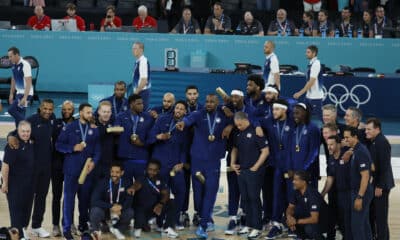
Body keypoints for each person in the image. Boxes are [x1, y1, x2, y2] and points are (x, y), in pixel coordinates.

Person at [176, 94, 232, 238]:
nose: (208, 104)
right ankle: (204, 216)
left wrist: (230, 126)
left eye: (212, 102)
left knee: (211, 192)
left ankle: (203, 224)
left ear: (217, 103)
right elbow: (188, 119)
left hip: (213, 161)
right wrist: (183, 122)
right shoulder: (198, 114)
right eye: (207, 101)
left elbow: (236, 117)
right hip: (198, 161)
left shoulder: (223, 114)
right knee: (199, 192)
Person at [7, 99, 55, 238]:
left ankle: (36, 226)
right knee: (27, 199)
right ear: (40, 107)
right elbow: (17, 131)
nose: (47, 111)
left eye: (50, 109)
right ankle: (22, 227)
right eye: (45, 108)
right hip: (32, 168)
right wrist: (10, 136)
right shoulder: (32, 120)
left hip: (46, 168)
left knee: (42, 197)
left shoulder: (52, 119)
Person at [55, 103, 101, 240]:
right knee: (69, 200)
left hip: (87, 171)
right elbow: (58, 145)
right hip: (71, 170)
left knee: (84, 201)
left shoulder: (94, 129)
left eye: (91, 112)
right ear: (80, 113)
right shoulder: (69, 127)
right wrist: (72, 148)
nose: (90, 115)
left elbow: (98, 149)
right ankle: (67, 228)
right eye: (87, 112)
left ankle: (82, 226)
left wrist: (94, 161)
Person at [148, 100, 190, 229]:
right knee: (160, 192)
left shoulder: (186, 126)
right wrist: (158, 137)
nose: (178, 110)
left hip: (175, 165)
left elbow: (184, 148)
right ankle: (159, 220)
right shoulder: (162, 119)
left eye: (182, 109)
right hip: (160, 164)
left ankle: (175, 220)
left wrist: (182, 163)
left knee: (181, 191)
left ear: (185, 112)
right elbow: (149, 138)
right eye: (177, 108)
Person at [230, 111, 269, 239]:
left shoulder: (257, 131)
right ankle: (248, 224)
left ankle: (257, 227)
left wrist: (256, 167)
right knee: (245, 199)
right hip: (242, 170)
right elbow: (235, 149)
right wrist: (232, 163)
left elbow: (265, 151)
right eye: (237, 125)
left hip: (254, 171)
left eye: (240, 125)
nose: (238, 127)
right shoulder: (238, 132)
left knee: (254, 198)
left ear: (245, 120)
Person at [261, 99, 295, 239]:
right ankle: (276, 224)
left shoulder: (293, 122)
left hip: (291, 167)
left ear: (285, 110)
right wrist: (257, 125)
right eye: (273, 109)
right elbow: (255, 119)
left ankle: (292, 224)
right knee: (276, 196)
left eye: (277, 109)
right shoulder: (270, 122)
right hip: (277, 167)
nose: (273, 112)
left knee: (291, 197)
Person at [1, 121, 35, 240]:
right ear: (18, 131)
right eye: (23, 131)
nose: (26, 134)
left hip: (29, 184)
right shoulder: (13, 145)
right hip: (14, 184)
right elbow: (5, 166)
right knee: (16, 211)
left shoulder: (31, 142)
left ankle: (22, 230)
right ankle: (18, 234)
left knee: (27, 210)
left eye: (28, 131)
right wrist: (4, 184)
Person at [128, 159, 179, 238]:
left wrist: (161, 204)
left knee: (171, 202)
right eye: (150, 169)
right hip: (141, 209)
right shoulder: (141, 178)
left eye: (154, 170)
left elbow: (166, 194)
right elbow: (137, 185)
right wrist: (133, 188)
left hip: (154, 208)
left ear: (158, 170)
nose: (151, 172)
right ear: (146, 169)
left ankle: (167, 228)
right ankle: (140, 225)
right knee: (141, 230)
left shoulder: (161, 179)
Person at [365, 118, 394, 240]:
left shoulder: (382, 142)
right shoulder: (374, 141)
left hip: (381, 187)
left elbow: (384, 166)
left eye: (369, 129)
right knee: (374, 216)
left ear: (377, 129)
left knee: (380, 218)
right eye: (366, 129)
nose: (366, 131)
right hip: (376, 185)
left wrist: (380, 186)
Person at [343, 126, 373, 240]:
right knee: (364, 224)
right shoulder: (356, 149)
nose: (345, 140)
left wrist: (359, 197)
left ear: (355, 137)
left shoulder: (360, 152)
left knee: (356, 226)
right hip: (359, 191)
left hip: (361, 192)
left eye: (347, 138)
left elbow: (365, 176)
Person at [115, 94, 154, 182]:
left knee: (141, 186)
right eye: (139, 104)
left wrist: (142, 144)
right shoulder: (120, 116)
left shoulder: (148, 118)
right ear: (131, 104)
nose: (142, 106)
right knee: (125, 186)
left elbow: (152, 136)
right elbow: (115, 130)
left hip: (141, 157)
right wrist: (116, 131)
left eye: (142, 103)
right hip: (125, 157)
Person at [89, 162, 134, 240]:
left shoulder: (127, 183)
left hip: (118, 211)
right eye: (112, 171)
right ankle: (96, 230)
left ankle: (117, 229)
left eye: (117, 172)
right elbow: (94, 200)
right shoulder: (102, 182)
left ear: (122, 173)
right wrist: (111, 206)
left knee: (130, 212)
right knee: (95, 211)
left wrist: (121, 207)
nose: (114, 174)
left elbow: (129, 199)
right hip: (105, 210)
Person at [51, 100, 75, 237]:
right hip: (57, 165)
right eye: (64, 109)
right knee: (57, 196)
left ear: (73, 110)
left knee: (70, 196)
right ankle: (55, 225)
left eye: (69, 109)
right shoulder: (56, 123)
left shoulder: (77, 124)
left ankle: (69, 222)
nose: (66, 111)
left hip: (72, 165)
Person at [321, 135, 350, 239]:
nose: (329, 147)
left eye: (331, 144)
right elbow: (330, 178)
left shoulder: (347, 154)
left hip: (347, 194)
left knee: (345, 221)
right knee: (331, 218)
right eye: (328, 145)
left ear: (339, 144)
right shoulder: (331, 158)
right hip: (334, 194)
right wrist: (323, 193)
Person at [181, 85, 203, 226]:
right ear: (186, 95)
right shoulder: (180, 108)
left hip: (199, 153)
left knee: (199, 185)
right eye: (190, 94)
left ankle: (198, 213)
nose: (192, 96)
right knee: (183, 185)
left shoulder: (204, 109)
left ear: (198, 94)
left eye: (194, 93)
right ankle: (183, 212)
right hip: (183, 152)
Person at [286, 171, 327, 240]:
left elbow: (314, 219)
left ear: (304, 182)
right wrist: (289, 217)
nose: (293, 182)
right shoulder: (296, 191)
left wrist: (295, 221)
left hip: (323, 221)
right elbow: (290, 207)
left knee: (309, 228)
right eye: (293, 179)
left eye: (296, 180)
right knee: (286, 219)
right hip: (309, 216)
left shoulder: (312, 194)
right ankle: (303, 237)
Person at [290, 103, 320, 188]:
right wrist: (290, 167)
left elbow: (314, 152)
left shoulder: (313, 128)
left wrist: (304, 168)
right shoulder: (295, 128)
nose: (294, 116)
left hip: (307, 171)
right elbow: (290, 151)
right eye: (294, 113)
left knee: (309, 197)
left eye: (297, 113)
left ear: (305, 113)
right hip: (295, 170)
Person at [293, 45, 324, 119]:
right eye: (306, 52)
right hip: (308, 96)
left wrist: (300, 93)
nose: (306, 54)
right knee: (305, 117)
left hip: (316, 97)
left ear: (314, 53)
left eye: (308, 52)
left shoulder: (316, 64)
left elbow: (311, 81)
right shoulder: (311, 64)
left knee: (322, 118)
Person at [7, 46, 33, 127]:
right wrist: (11, 93)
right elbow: (13, 79)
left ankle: (28, 125)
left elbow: (29, 82)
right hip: (19, 93)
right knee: (20, 114)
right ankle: (19, 133)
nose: (9, 58)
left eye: (10, 56)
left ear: (16, 55)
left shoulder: (25, 65)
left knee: (11, 110)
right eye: (9, 56)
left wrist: (25, 97)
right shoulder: (14, 65)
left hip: (26, 93)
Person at [93, 101, 116, 182]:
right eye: (104, 112)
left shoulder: (114, 123)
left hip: (109, 163)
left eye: (108, 112)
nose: (106, 114)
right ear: (99, 111)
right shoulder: (91, 124)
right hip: (94, 163)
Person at [132, 42, 151, 111]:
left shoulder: (143, 61)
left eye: (135, 48)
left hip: (142, 92)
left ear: (141, 50)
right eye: (133, 48)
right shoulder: (138, 61)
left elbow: (144, 80)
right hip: (140, 91)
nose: (133, 50)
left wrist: (136, 92)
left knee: (142, 113)